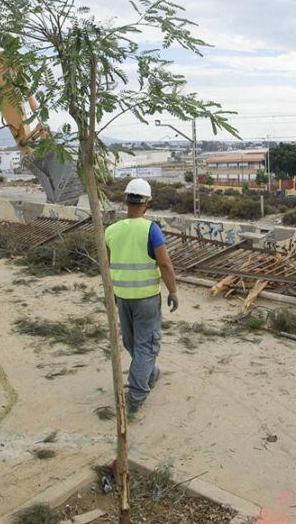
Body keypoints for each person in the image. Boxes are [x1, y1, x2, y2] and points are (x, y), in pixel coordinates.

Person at [103, 178, 177, 417]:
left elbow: (105, 264)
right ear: (148, 203)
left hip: (122, 297)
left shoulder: (111, 230)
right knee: (146, 345)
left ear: (126, 201)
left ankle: (150, 373)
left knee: (133, 343)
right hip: (146, 299)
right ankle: (136, 396)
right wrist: (173, 291)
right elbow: (165, 264)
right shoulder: (151, 230)